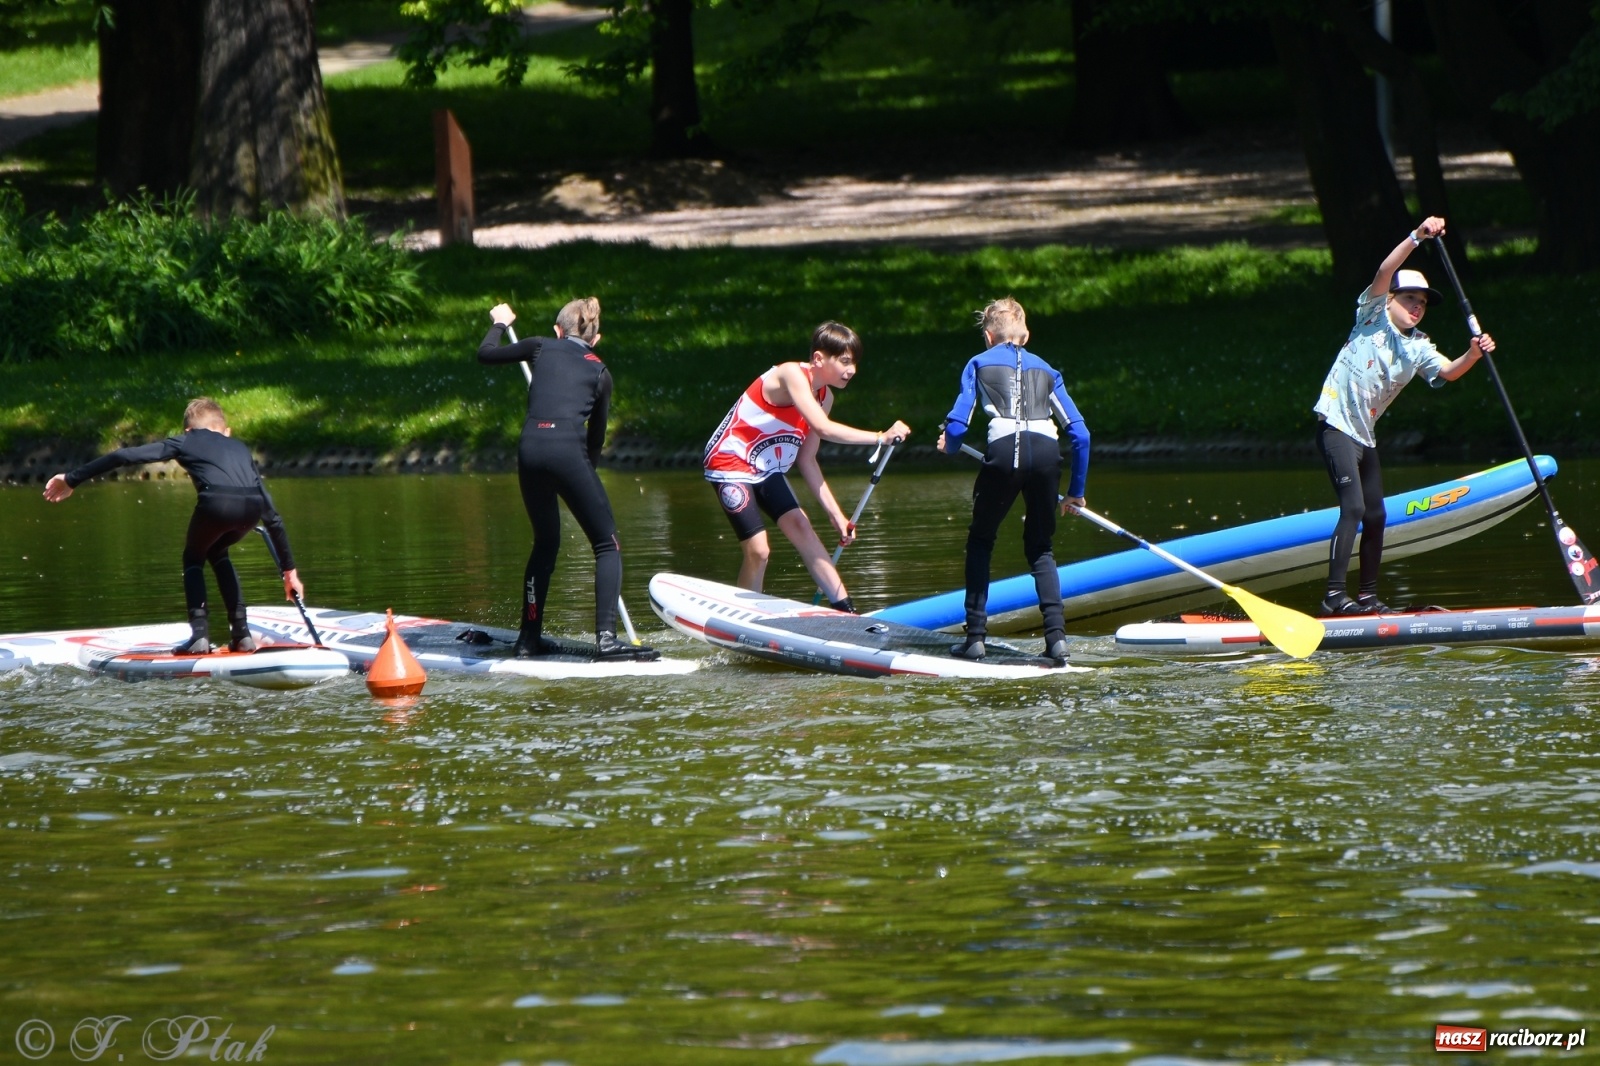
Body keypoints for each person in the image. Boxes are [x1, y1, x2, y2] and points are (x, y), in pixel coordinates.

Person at [1313, 217, 1494, 616]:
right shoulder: (1372, 315)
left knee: (1377, 514)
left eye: (1423, 303)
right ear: (1390, 299)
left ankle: (1367, 597)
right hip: (1335, 426)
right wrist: (1417, 237)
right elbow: (1384, 271)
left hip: (1365, 436)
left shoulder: (1419, 348)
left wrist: (1474, 354)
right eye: (1410, 298)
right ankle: (1332, 597)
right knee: (1355, 509)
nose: (1417, 307)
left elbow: (1448, 371)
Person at [41, 397, 304, 655]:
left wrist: (72, 478)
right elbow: (272, 514)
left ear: (188, 430)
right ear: (226, 431)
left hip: (217, 504)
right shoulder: (240, 447)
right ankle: (242, 635)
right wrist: (289, 571)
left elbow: (124, 456)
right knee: (217, 552)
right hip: (252, 510)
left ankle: (199, 637)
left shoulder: (187, 440)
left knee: (193, 557)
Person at [477, 297, 656, 661]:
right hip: (568, 454)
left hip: (529, 450)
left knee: (545, 544)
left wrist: (499, 322)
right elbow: (596, 438)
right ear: (596, 338)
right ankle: (606, 639)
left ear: (559, 330)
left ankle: (528, 638)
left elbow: (486, 353)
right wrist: (579, 479)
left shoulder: (540, 345)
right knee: (607, 544)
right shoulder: (600, 372)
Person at [703, 321, 910, 612]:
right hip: (730, 464)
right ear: (818, 359)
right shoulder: (790, 374)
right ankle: (744, 616)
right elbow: (823, 428)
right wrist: (879, 437)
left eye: (855, 363)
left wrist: (837, 516)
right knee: (759, 550)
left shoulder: (825, 397)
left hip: (766, 468)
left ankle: (846, 611)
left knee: (801, 525)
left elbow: (806, 459)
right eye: (845, 362)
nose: (852, 370)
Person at [937, 297, 1088, 666]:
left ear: (988, 337)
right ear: (1027, 336)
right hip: (1048, 453)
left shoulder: (978, 362)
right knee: (1041, 548)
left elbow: (957, 425)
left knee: (981, 539)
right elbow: (1081, 435)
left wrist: (950, 446)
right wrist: (1075, 493)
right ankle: (1057, 640)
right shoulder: (1049, 370)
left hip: (1004, 453)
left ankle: (975, 638)